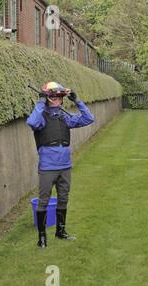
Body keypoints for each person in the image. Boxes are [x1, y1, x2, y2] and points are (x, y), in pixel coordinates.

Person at [27, 82, 95, 248]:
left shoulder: (65, 117)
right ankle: (42, 238)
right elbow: (31, 122)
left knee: (63, 198)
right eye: (53, 96)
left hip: (65, 166)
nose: (56, 100)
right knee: (44, 200)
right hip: (48, 167)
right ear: (48, 98)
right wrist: (41, 102)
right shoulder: (41, 116)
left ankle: (60, 231)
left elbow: (89, 118)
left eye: (59, 97)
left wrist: (77, 100)